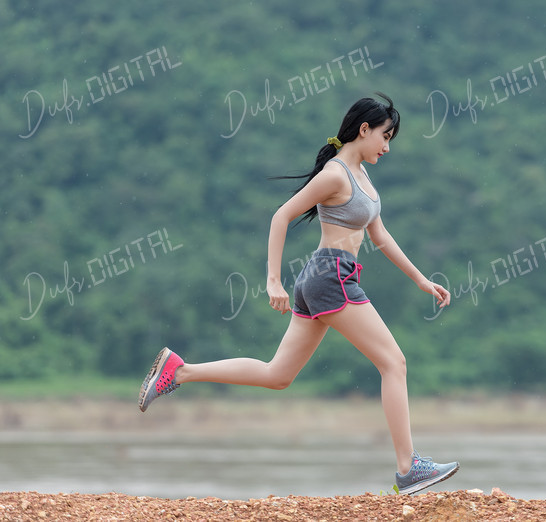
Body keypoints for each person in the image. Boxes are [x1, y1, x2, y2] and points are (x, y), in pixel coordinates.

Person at [138, 93, 459, 495]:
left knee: (278, 375)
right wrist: (273, 281)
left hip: (322, 278)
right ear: (364, 130)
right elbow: (282, 216)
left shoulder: (361, 175)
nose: (387, 147)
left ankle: (180, 371)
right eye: (385, 136)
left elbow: (380, 235)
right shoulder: (336, 174)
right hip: (331, 277)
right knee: (394, 363)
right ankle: (408, 468)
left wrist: (420, 279)